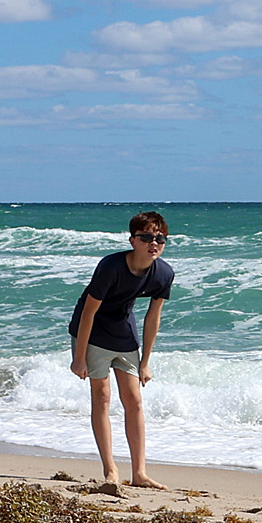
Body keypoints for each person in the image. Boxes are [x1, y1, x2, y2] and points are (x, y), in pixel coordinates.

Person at [70, 211, 173, 493]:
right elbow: (89, 311)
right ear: (133, 240)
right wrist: (79, 357)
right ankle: (110, 471)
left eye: (160, 238)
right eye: (147, 237)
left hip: (123, 331)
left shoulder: (163, 273)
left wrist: (145, 363)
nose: (154, 243)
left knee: (134, 401)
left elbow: (154, 318)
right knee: (102, 397)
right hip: (92, 331)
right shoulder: (111, 266)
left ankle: (139, 472)